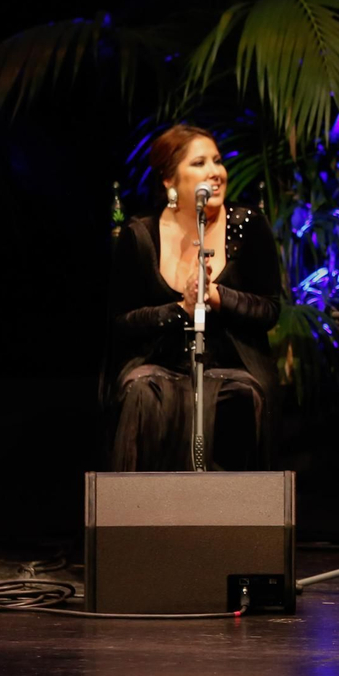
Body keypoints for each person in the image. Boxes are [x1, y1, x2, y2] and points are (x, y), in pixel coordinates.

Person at [105, 125, 281, 471]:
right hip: (159, 366)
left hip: (232, 367)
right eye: (199, 163)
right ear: (169, 180)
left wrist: (216, 296)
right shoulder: (140, 235)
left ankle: (236, 506)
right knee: (142, 393)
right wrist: (180, 309)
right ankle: (146, 504)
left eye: (217, 161)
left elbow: (270, 309)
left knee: (240, 396)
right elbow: (121, 321)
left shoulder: (248, 225)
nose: (215, 172)